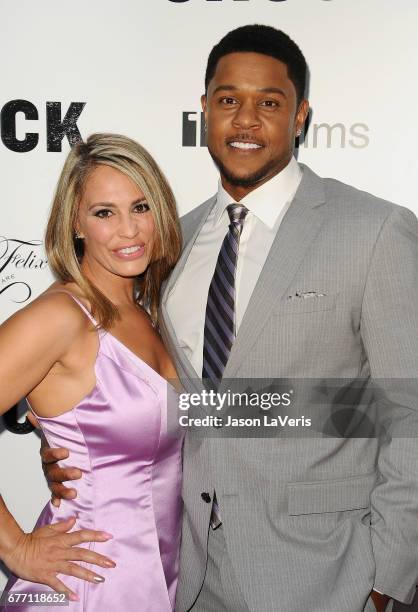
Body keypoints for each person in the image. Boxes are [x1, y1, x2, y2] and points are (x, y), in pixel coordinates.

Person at [43, 26, 418, 612]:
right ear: (204, 113)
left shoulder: (373, 231)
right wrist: (79, 445)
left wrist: (386, 580)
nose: (246, 120)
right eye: (228, 101)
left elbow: (408, 411)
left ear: (300, 117)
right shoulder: (168, 242)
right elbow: (160, 394)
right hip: (190, 576)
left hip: (330, 577)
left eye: (269, 102)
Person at [0, 133, 183, 611]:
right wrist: (15, 547)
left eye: (141, 207)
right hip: (87, 586)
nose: (130, 230)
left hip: (160, 578)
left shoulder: (149, 311)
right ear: (76, 224)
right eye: (105, 213)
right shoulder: (60, 317)